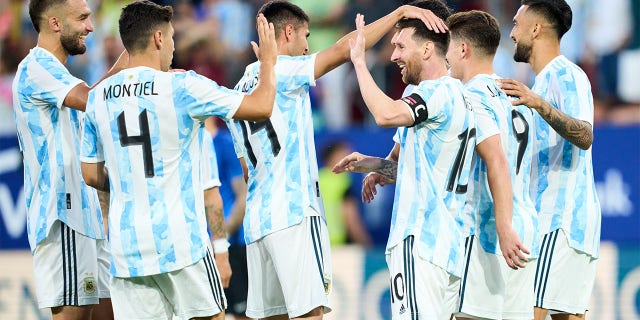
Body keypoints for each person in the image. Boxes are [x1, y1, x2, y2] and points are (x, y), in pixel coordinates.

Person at [225, 1, 446, 319]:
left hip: (259, 223)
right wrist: (398, 14)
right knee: (310, 314)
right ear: (289, 32)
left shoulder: (239, 91)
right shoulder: (282, 70)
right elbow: (345, 48)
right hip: (294, 214)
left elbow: (247, 170)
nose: (307, 46)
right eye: (306, 36)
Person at [78, 1, 278, 319]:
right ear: (158, 38)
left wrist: (128, 178)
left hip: (127, 248)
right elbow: (261, 106)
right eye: (172, 38)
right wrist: (268, 63)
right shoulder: (182, 86)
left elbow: (89, 174)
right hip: (180, 244)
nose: (173, 47)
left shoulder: (97, 98)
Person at [333, 1, 476, 317]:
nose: (393, 55)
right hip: (454, 246)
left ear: (427, 50)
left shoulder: (432, 94)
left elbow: (384, 115)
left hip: (420, 243)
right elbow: (416, 167)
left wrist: (358, 60)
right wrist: (373, 165)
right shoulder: (463, 95)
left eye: (400, 45)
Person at [12, 0, 126, 318]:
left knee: (110, 314)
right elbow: (93, 101)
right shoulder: (36, 66)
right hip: (63, 214)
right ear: (55, 23)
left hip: (85, 215)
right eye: (82, 18)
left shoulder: (59, 74)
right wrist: (132, 56)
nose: (90, 27)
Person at [499, 1, 601, 319]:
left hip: (558, 220)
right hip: (570, 225)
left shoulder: (564, 76)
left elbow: (585, 135)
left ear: (536, 28)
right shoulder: (541, 83)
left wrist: (539, 104)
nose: (512, 33)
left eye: (516, 24)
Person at [444, 10, 538, 320]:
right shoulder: (516, 93)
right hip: (525, 230)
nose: (445, 57)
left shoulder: (470, 95)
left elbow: (496, 157)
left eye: (447, 46)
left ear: (463, 49)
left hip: (489, 231)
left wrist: (502, 225)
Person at [205, 117, 251, 320]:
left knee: (243, 313)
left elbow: (243, 195)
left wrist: (220, 239)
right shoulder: (192, 144)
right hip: (205, 246)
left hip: (231, 244)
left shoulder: (223, 143)